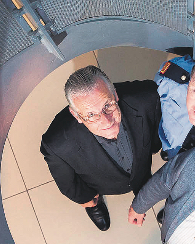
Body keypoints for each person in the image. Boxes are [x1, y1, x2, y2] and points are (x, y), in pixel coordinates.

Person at [40, 66, 161, 231]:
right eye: (91, 115)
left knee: (143, 182)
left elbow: (156, 134)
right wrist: (88, 199)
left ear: (115, 95)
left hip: (141, 170)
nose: (106, 121)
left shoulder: (147, 97)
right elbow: (68, 184)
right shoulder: (57, 144)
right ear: (76, 115)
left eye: (107, 105)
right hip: (102, 185)